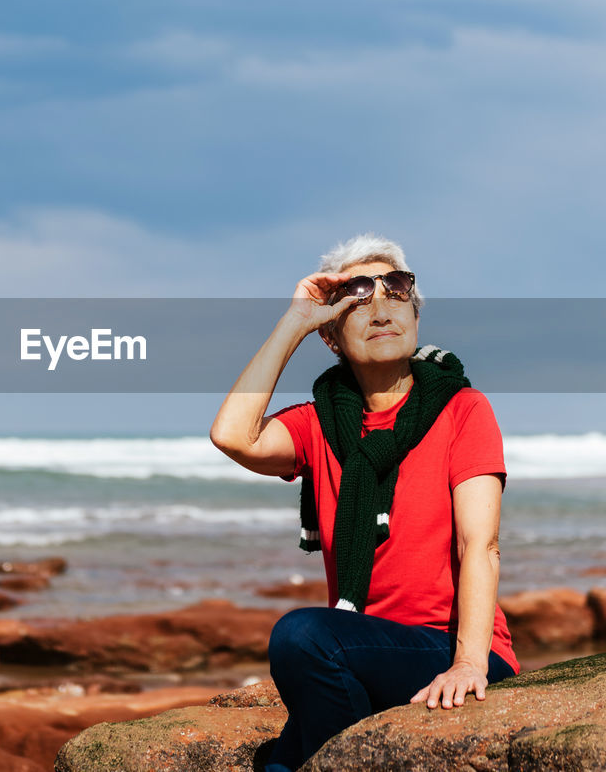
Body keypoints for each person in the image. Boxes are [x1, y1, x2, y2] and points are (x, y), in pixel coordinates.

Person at [210, 233, 519, 772]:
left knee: (301, 636)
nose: (380, 306)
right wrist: (296, 320)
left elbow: (481, 544)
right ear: (330, 336)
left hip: (446, 647)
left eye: (396, 290)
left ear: (416, 314)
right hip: (355, 653)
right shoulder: (317, 424)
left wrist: (469, 664)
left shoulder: (463, 409)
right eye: (357, 297)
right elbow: (235, 436)